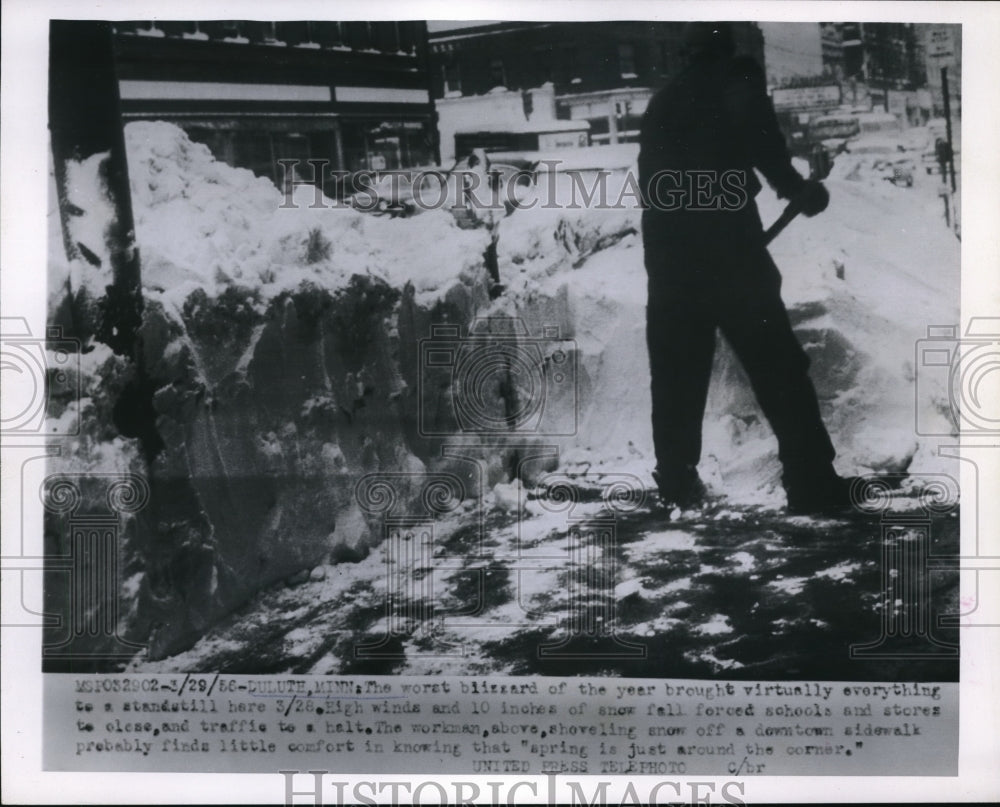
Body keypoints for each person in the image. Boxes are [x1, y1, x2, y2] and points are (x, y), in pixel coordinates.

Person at [638, 22, 853, 514]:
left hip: (669, 253)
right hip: (728, 249)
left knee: (676, 373)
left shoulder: (661, 101)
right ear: (726, 48)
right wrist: (797, 189)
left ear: (685, 52)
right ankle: (812, 483)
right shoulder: (735, 79)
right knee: (778, 364)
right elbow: (762, 142)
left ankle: (675, 484)